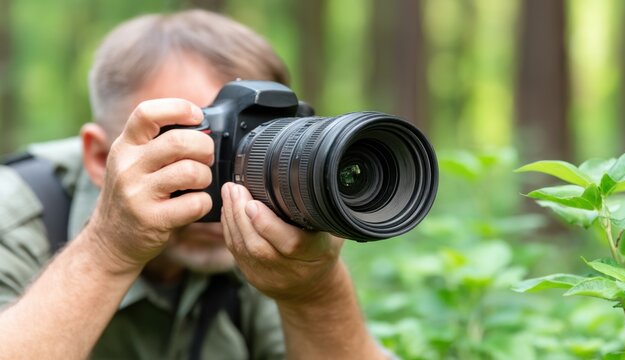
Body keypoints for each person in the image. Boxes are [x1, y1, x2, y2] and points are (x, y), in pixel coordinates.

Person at [0, 10, 389, 359]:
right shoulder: (16, 212)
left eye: (249, 142)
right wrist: (108, 247)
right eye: (191, 145)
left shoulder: (269, 227)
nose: (228, 185)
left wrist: (313, 291)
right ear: (100, 158)